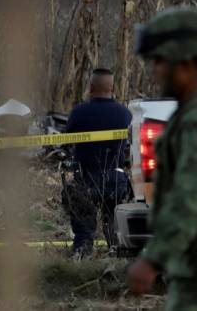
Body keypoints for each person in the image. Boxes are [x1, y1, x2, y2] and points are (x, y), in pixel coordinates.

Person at [127, 6, 197, 311]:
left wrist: (153, 258)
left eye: (159, 60)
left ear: (185, 62)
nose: (154, 69)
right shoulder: (194, 113)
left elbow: (191, 197)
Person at [63, 68, 132, 257]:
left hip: (86, 180)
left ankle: (82, 250)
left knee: (84, 228)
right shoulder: (125, 114)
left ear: (91, 87)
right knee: (115, 224)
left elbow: (65, 143)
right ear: (112, 88)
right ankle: (116, 251)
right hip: (116, 180)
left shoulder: (79, 113)